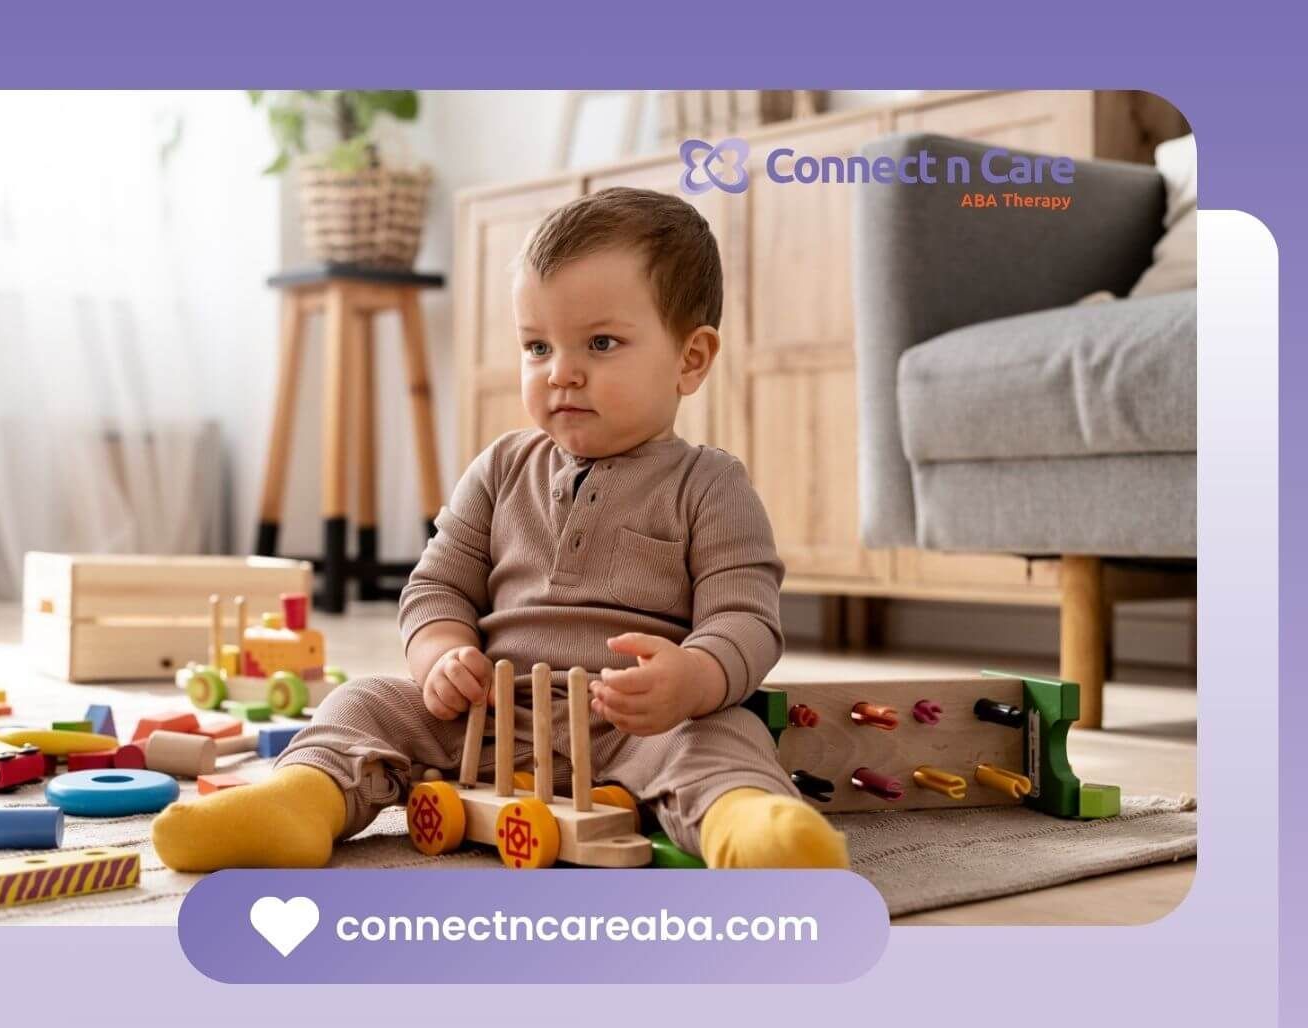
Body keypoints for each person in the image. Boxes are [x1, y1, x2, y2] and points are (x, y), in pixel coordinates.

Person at [152, 186, 850, 871]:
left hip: (635, 731)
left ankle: (751, 830)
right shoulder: (499, 468)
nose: (562, 374)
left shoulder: (711, 485)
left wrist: (693, 678)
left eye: (601, 344)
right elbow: (436, 587)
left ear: (690, 359)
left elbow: (747, 619)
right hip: (485, 721)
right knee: (360, 701)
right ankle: (296, 803)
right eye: (537, 347)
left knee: (726, 733)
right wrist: (442, 655)